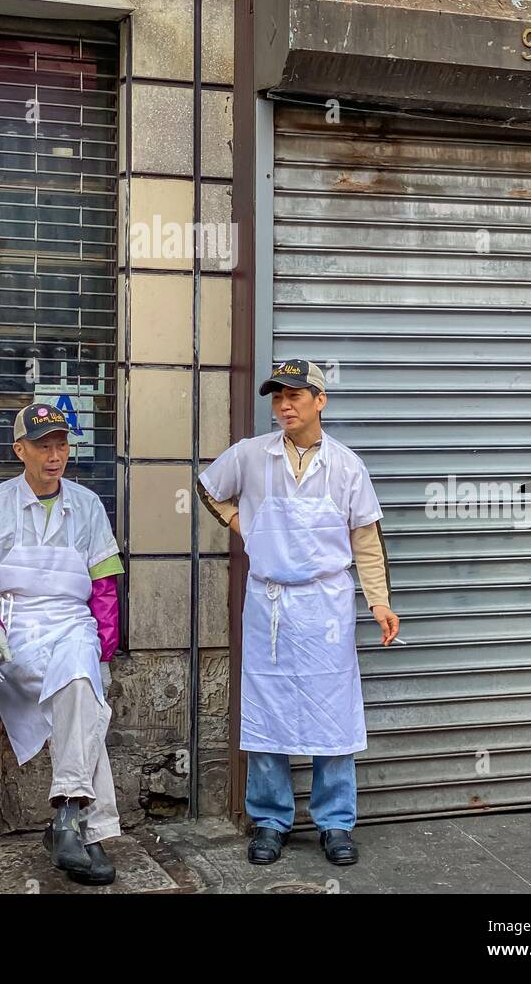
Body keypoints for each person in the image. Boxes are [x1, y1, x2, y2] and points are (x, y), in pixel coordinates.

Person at [197, 359, 400, 867]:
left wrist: (379, 602)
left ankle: (335, 823)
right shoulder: (250, 456)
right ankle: (269, 819)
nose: (284, 405)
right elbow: (207, 488)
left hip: (325, 605)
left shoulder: (347, 466)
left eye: (295, 395)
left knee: (333, 714)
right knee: (268, 713)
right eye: (277, 397)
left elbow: (366, 540)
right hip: (268, 603)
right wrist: (245, 524)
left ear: (319, 400)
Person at [0, 403, 123, 886]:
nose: (55, 456)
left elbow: (105, 584)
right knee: (81, 696)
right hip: (19, 631)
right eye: (43, 446)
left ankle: (68, 819)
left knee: (79, 675)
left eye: (62, 445)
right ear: (20, 450)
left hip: (73, 624)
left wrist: (105, 651)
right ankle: (81, 829)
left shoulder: (88, 505)